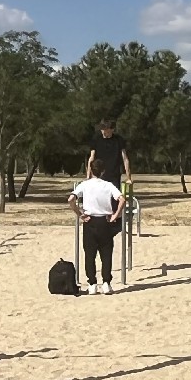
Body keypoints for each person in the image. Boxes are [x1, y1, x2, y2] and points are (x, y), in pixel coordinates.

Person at [69, 160, 127, 294]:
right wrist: (116, 215)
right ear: (103, 171)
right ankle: (106, 282)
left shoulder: (84, 185)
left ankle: (92, 284)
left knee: (90, 255)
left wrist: (79, 214)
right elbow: (122, 199)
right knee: (106, 254)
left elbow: (71, 199)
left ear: (91, 169)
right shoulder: (108, 185)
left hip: (90, 221)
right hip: (105, 221)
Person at [87, 117, 132, 193]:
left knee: (114, 198)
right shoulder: (96, 139)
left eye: (106, 129)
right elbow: (91, 158)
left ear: (112, 129)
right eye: (102, 129)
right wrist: (88, 176)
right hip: (99, 175)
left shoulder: (118, 140)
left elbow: (125, 159)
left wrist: (129, 178)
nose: (103, 131)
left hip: (114, 175)